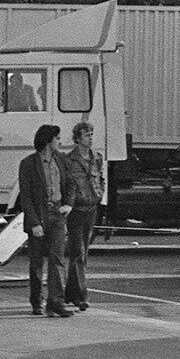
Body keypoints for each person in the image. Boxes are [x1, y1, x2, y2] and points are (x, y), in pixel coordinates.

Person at [18, 124, 73, 317]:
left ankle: (56, 302)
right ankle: (36, 301)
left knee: (57, 260)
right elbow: (25, 196)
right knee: (36, 263)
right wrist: (34, 223)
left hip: (58, 215)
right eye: (57, 138)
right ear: (48, 141)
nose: (60, 141)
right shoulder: (28, 164)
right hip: (39, 217)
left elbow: (70, 183)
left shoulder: (62, 160)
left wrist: (69, 203)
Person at [63, 122, 104, 310]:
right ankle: (81, 296)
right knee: (77, 251)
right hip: (77, 210)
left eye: (91, 134)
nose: (90, 137)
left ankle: (70, 293)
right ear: (78, 138)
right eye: (87, 134)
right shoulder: (69, 159)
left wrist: (100, 193)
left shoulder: (96, 157)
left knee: (83, 252)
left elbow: (100, 178)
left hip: (91, 208)